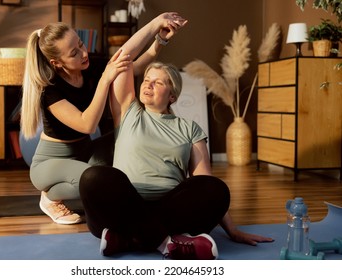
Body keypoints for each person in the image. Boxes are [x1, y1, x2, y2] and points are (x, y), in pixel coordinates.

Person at [79, 20, 274, 260]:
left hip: (169, 208)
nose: (148, 84)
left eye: (158, 82)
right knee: (93, 177)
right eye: (147, 79)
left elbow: (204, 181)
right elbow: (122, 58)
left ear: (172, 95)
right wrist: (155, 28)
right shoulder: (128, 111)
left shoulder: (189, 128)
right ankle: (167, 242)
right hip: (124, 205)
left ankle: (128, 238)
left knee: (217, 190)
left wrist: (232, 230)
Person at [20, 13, 187, 225]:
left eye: (81, 44)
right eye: (74, 53)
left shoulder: (87, 64)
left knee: (125, 137)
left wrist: (158, 38)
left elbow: (129, 66)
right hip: (50, 163)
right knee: (98, 182)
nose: (83, 53)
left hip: (84, 151)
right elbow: (87, 124)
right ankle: (50, 196)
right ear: (57, 63)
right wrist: (105, 78)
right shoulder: (50, 91)